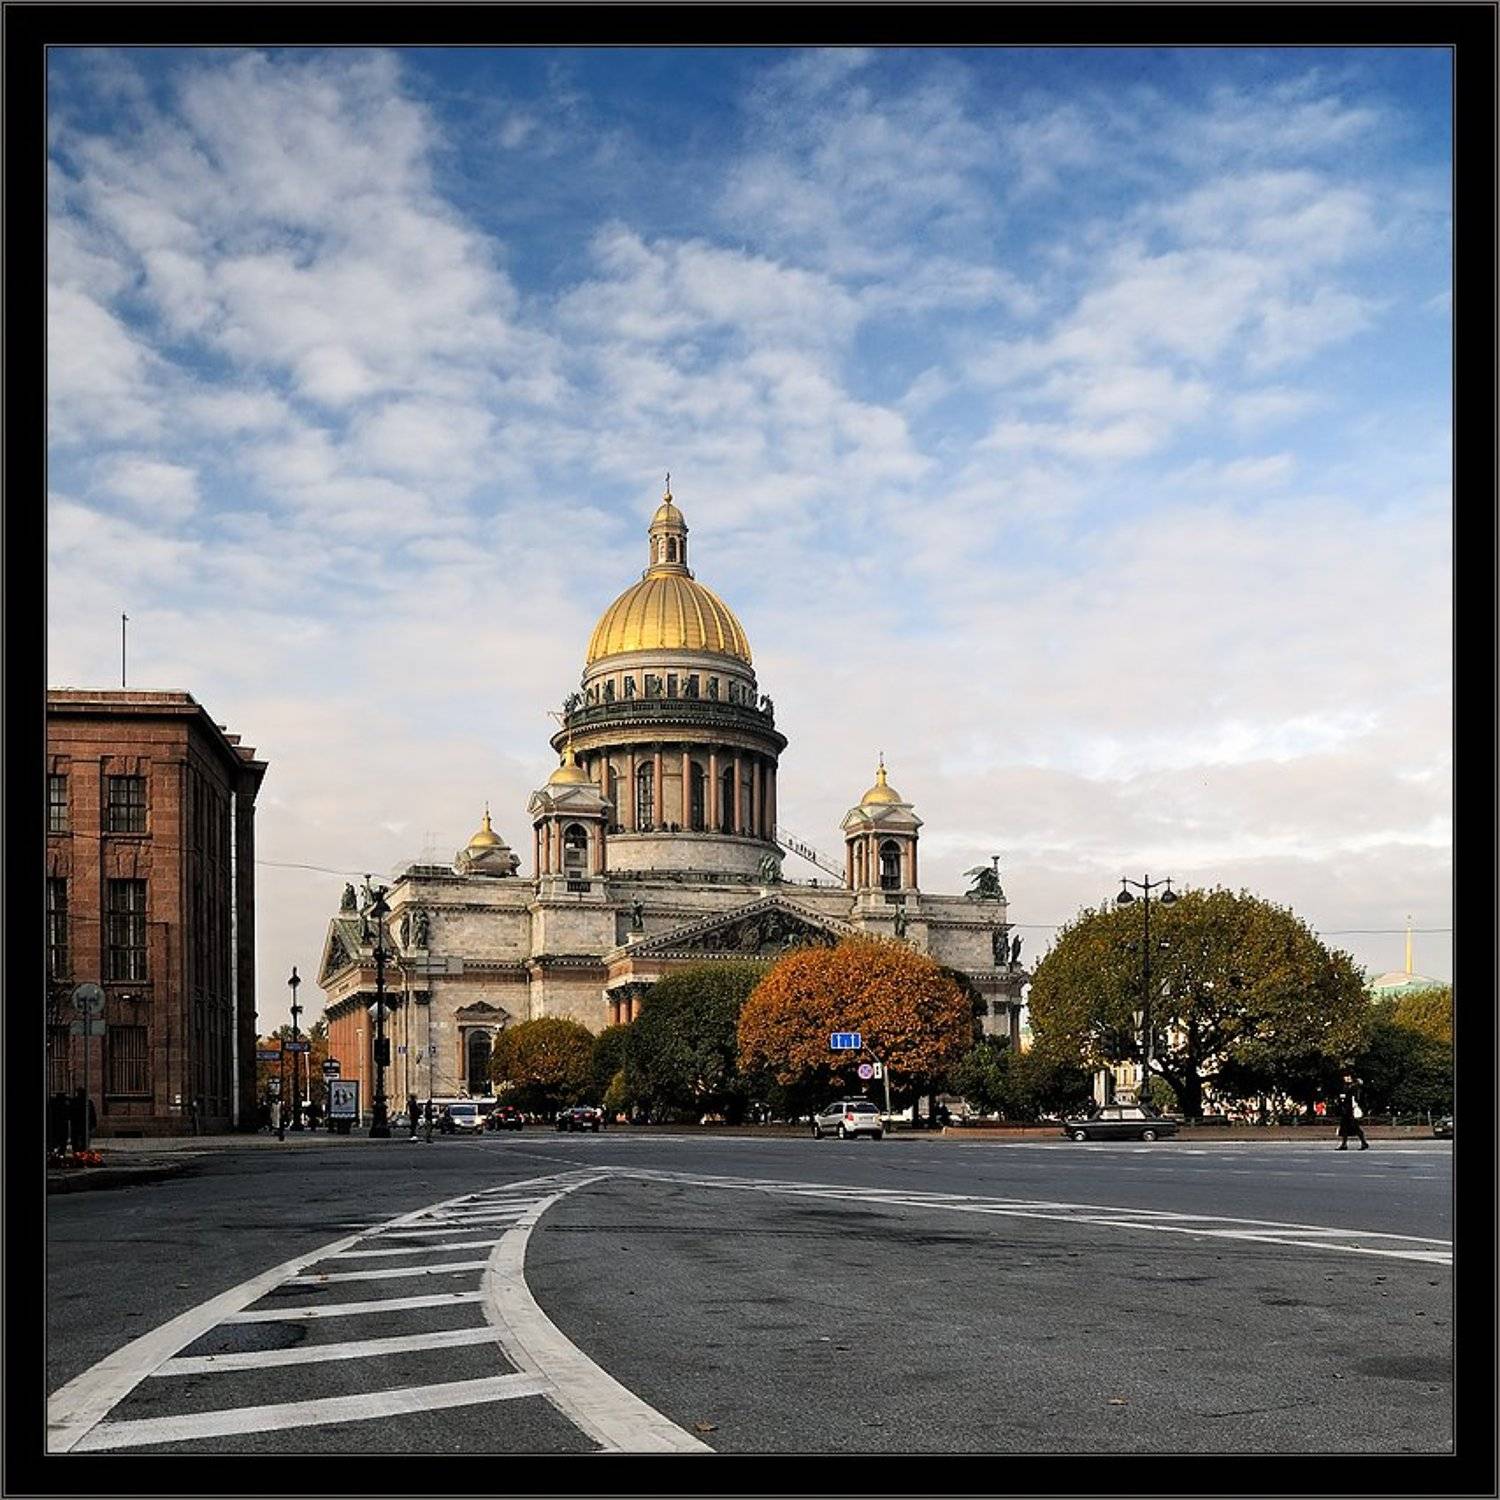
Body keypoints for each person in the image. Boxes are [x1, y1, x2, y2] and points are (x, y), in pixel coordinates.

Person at [1335, 1074, 1369, 1150]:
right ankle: (1344, 1144)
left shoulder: (1354, 1087)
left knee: (1355, 1127)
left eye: (1347, 1076)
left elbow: (1356, 1098)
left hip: (1351, 1110)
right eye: (1345, 1076)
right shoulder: (1346, 1086)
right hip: (1346, 1110)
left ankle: (1363, 1143)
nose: (1345, 1078)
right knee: (1345, 1128)